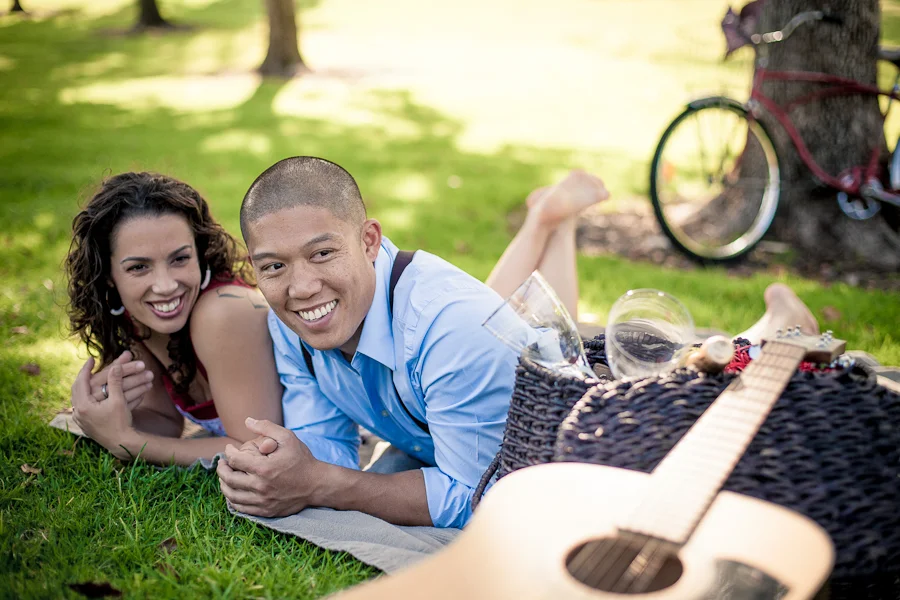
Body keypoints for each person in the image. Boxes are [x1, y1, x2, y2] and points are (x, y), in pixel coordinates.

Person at [213, 158, 612, 528]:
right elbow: (325, 445)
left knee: (531, 338)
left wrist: (323, 484)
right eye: (275, 267)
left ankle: (551, 221)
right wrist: (278, 467)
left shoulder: (452, 328)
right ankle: (550, 221)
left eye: (322, 253)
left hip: (567, 441)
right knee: (500, 320)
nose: (300, 289)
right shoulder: (291, 322)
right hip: (452, 392)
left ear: (369, 241)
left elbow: (478, 496)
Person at [66, 172, 283, 466]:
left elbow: (256, 448)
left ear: (200, 253)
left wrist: (126, 442)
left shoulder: (224, 312)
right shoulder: (139, 317)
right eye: (139, 267)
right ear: (108, 276)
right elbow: (164, 423)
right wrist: (105, 410)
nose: (165, 285)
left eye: (180, 259)